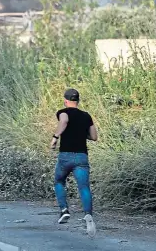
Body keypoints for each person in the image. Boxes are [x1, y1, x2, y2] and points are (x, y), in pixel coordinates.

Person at [50, 88, 98, 238]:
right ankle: (88, 216)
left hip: (66, 156)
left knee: (59, 181)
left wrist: (55, 137)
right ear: (78, 101)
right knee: (84, 187)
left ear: (65, 100)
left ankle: (64, 210)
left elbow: (64, 121)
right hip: (82, 157)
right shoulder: (86, 116)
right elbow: (94, 136)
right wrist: (80, 132)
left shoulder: (63, 112)